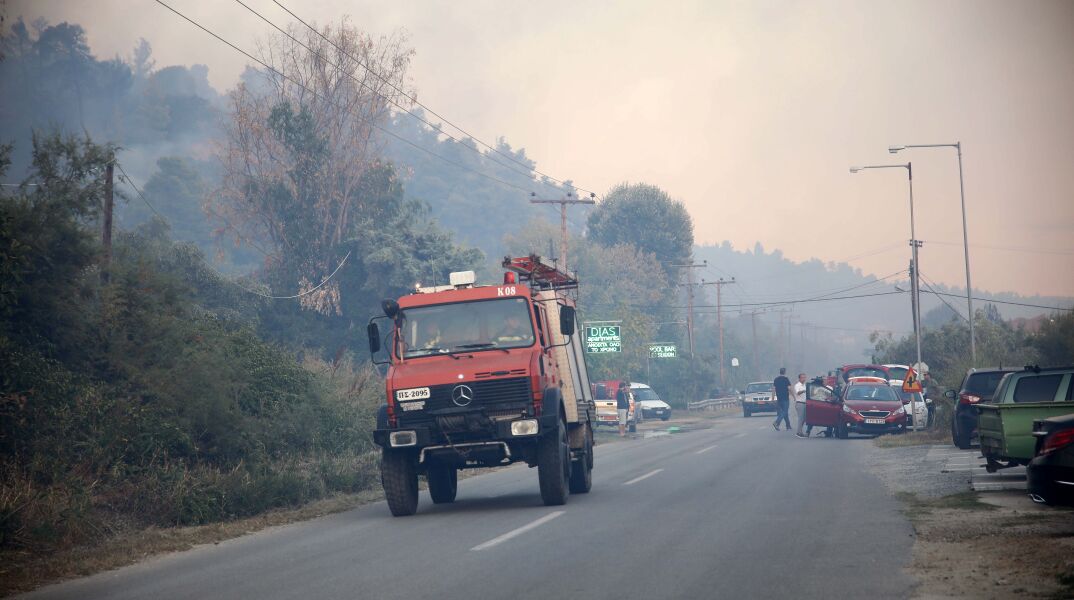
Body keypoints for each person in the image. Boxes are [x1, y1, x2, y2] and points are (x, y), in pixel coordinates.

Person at [794, 373, 809, 438]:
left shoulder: (805, 385)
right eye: (802, 377)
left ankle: (800, 431)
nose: (804, 379)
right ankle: (798, 432)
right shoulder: (797, 385)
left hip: (805, 403)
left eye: (804, 377)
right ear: (799, 378)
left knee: (804, 419)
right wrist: (803, 390)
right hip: (800, 403)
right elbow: (798, 392)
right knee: (801, 419)